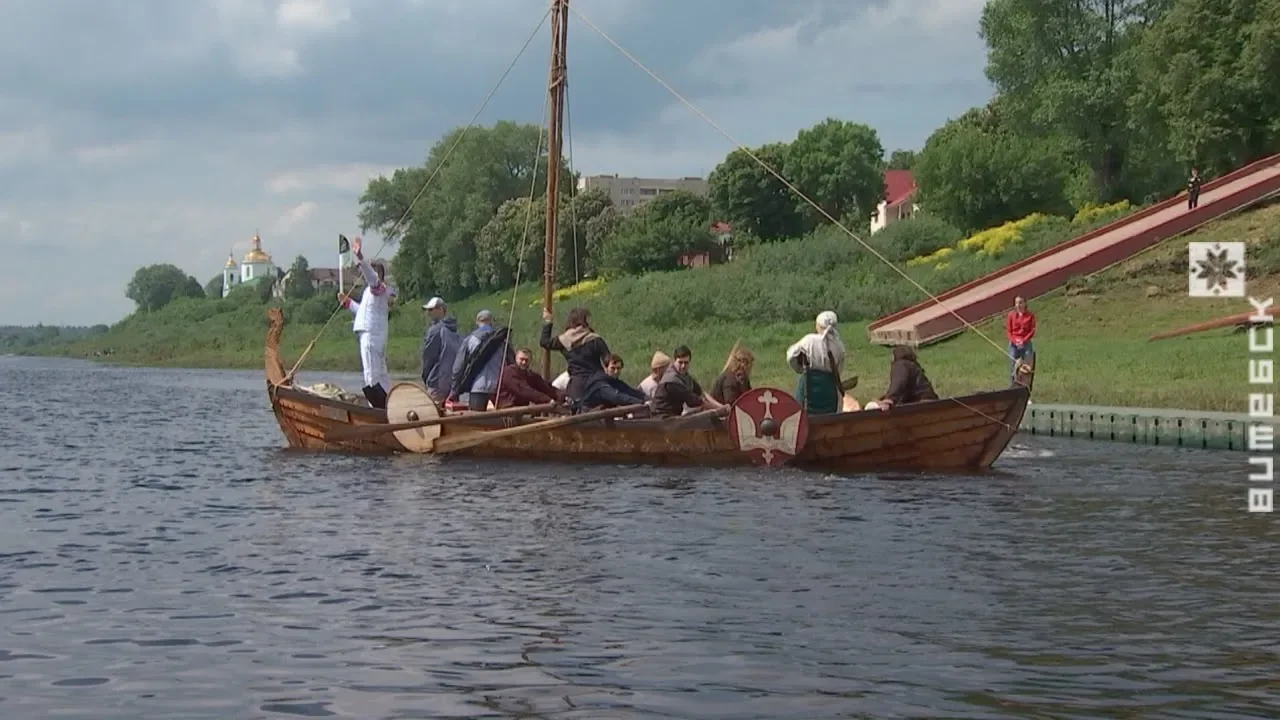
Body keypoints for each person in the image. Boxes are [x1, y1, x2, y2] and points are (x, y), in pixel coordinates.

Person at [539, 307, 647, 410]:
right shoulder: (595, 339)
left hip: (578, 387)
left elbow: (544, 342)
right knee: (621, 392)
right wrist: (611, 373)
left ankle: (644, 402)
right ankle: (645, 402)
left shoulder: (563, 340)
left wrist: (548, 321)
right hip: (596, 381)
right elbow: (607, 359)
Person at [338, 236, 396, 409]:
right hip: (375, 336)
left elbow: (372, 278)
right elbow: (363, 311)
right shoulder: (372, 293)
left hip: (371, 336)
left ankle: (377, 409)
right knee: (381, 373)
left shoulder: (378, 288)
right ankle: (391, 403)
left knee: (371, 375)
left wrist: (360, 257)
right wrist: (348, 302)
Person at [786, 310, 847, 415]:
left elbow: (791, 356)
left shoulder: (809, 340)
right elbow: (838, 370)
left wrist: (799, 369)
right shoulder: (839, 346)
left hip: (808, 386)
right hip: (829, 388)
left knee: (802, 414)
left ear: (819, 326)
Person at [450, 309, 512, 411]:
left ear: (477, 322)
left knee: (475, 418)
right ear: (491, 321)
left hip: (477, 387)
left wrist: (454, 390)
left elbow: (458, 367)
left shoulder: (470, 340)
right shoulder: (502, 340)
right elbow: (511, 363)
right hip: (498, 387)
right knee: (503, 418)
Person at [653, 345, 721, 418]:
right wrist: (718, 410)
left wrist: (720, 406)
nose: (683, 366)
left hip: (673, 417)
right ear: (674, 361)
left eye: (686, 363)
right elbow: (694, 401)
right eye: (680, 362)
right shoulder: (671, 380)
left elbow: (701, 393)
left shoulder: (685, 377)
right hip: (661, 418)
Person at [865, 345, 939, 411]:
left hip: (920, 406)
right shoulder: (912, 366)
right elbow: (903, 391)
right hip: (928, 404)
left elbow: (899, 383)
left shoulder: (901, 365)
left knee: (871, 406)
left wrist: (888, 400)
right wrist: (883, 399)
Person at [419, 296, 460, 403]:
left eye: (431, 309)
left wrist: (426, 378)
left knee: (432, 411)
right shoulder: (454, 330)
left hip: (436, 382)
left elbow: (428, 357)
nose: (428, 313)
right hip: (453, 383)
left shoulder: (435, 330)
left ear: (441, 309)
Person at [497, 347, 562, 408]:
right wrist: (547, 400)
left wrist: (562, 396)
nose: (524, 362)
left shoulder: (529, 375)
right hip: (505, 407)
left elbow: (545, 387)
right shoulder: (509, 372)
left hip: (520, 409)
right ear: (516, 359)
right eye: (521, 359)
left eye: (526, 360)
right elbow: (523, 390)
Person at [1005, 296, 1036, 384]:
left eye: (1020, 302)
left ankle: (1025, 386)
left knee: (1027, 365)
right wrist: (1015, 341)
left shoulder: (1030, 316)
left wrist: (1024, 340)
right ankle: (1012, 384)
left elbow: (1032, 330)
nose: (1018, 305)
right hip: (1014, 344)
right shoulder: (1011, 315)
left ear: (1025, 303)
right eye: (1016, 303)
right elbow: (1009, 331)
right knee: (1013, 364)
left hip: (1026, 343)